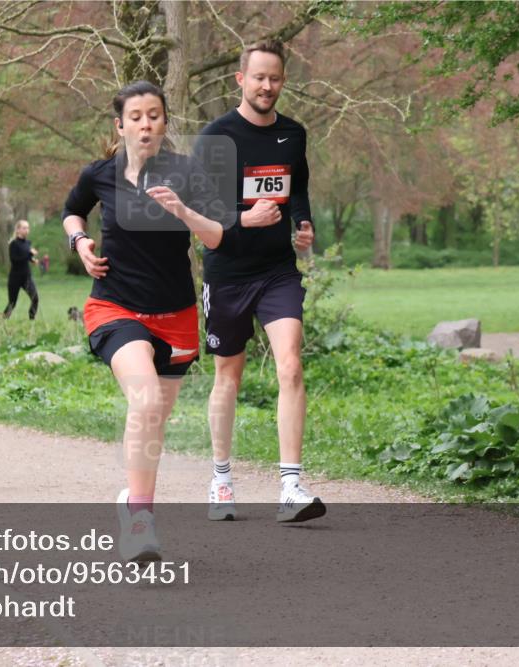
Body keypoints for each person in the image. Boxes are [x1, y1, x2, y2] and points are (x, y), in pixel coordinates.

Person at [62, 80, 225, 562]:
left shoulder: (185, 172)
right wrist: (80, 243)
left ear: (164, 122)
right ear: (120, 125)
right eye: (135, 116)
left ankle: (131, 500)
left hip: (175, 315)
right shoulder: (100, 174)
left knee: (153, 420)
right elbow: (72, 212)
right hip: (115, 308)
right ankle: (140, 520)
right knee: (146, 398)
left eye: (154, 115)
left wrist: (184, 212)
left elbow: (217, 237)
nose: (145, 124)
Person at [193, 40, 325, 523]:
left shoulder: (294, 134)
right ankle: (221, 478)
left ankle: (290, 485)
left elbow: (299, 186)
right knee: (229, 375)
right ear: (240, 80)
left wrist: (302, 223)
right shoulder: (216, 138)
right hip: (227, 271)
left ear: (283, 81)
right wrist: (243, 220)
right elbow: (200, 209)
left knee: (290, 365)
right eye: (258, 78)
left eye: (275, 78)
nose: (267, 86)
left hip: (276, 271)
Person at [3, 219, 39, 319]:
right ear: (18, 230)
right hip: (15, 278)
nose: (26, 230)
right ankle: (2, 321)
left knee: (35, 298)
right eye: (24, 228)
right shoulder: (13, 244)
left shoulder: (27, 243)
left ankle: (32, 319)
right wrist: (30, 254)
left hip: (26, 277)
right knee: (12, 303)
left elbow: (25, 257)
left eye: (27, 228)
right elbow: (15, 260)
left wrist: (32, 260)